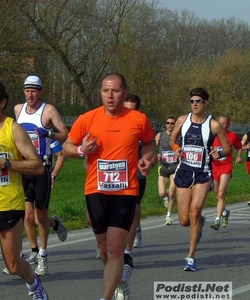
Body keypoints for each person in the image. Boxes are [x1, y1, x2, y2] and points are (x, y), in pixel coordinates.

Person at [63, 72, 156, 300]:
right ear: (101, 93)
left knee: (116, 250)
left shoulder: (138, 119)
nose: (110, 95)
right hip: (96, 190)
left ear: (124, 92)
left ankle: (105, 297)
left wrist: (148, 158)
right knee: (104, 251)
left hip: (125, 191)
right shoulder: (88, 119)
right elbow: (66, 146)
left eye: (115, 90)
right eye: (106, 90)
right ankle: (121, 278)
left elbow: (150, 142)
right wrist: (81, 150)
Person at [0, 79, 48, 299]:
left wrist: (6, 163)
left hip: (7, 204)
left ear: (3, 102)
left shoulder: (12, 129)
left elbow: (37, 165)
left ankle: (34, 284)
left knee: (14, 265)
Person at [169, 87, 231, 271]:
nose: (195, 104)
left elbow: (227, 148)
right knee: (184, 220)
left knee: (195, 212)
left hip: (203, 174)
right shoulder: (183, 120)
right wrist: (176, 148)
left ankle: (190, 257)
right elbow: (173, 138)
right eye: (192, 101)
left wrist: (218, 152)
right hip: (184, 171)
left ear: (205, 103)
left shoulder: (213, 125)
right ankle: (200, 222)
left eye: (198, 101)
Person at [14, 75, 69, 276]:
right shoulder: (18, 110)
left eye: (34, 90)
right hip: (24, 168)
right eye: (27, 90)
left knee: (40, 215)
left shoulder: (48, 110)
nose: (30, 94)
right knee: (27, 215)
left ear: (41, 92)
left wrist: (50, 134)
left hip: (42, 169)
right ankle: (35, 252)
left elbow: (65, 133)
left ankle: (44, 255)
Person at [123, 94, 158, 265]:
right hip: (116, 174)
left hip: (137, 173)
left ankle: (129, 245)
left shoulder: (142, 124)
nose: (129, 112)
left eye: (133, 109)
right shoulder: (115, 122)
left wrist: (149, 164)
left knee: (133, 207)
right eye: (126, 108)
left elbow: (152, 149)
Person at [210, 115, 242, 230]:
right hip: (215, 168)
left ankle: (217, 219)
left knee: (221, 193)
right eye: (220, 123)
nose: (222, 125)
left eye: (224, 123)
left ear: (228, 125)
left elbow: (239, 147)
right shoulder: (212, 136)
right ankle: (224, 212)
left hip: (226, 167)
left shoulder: (232, 135)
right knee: (217, 194)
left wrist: (239, 156)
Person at [155, 116, 180, 225]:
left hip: (175, 166)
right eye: (168, 123)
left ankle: (168, 216)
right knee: (162, 193)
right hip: (163, 166)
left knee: (172, 191)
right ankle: (166, 198)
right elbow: (152, 147)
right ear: (165, 124)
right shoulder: (160, 135)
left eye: (172, 123)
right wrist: (156, 154)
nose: (170, 125)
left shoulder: (179, 136)